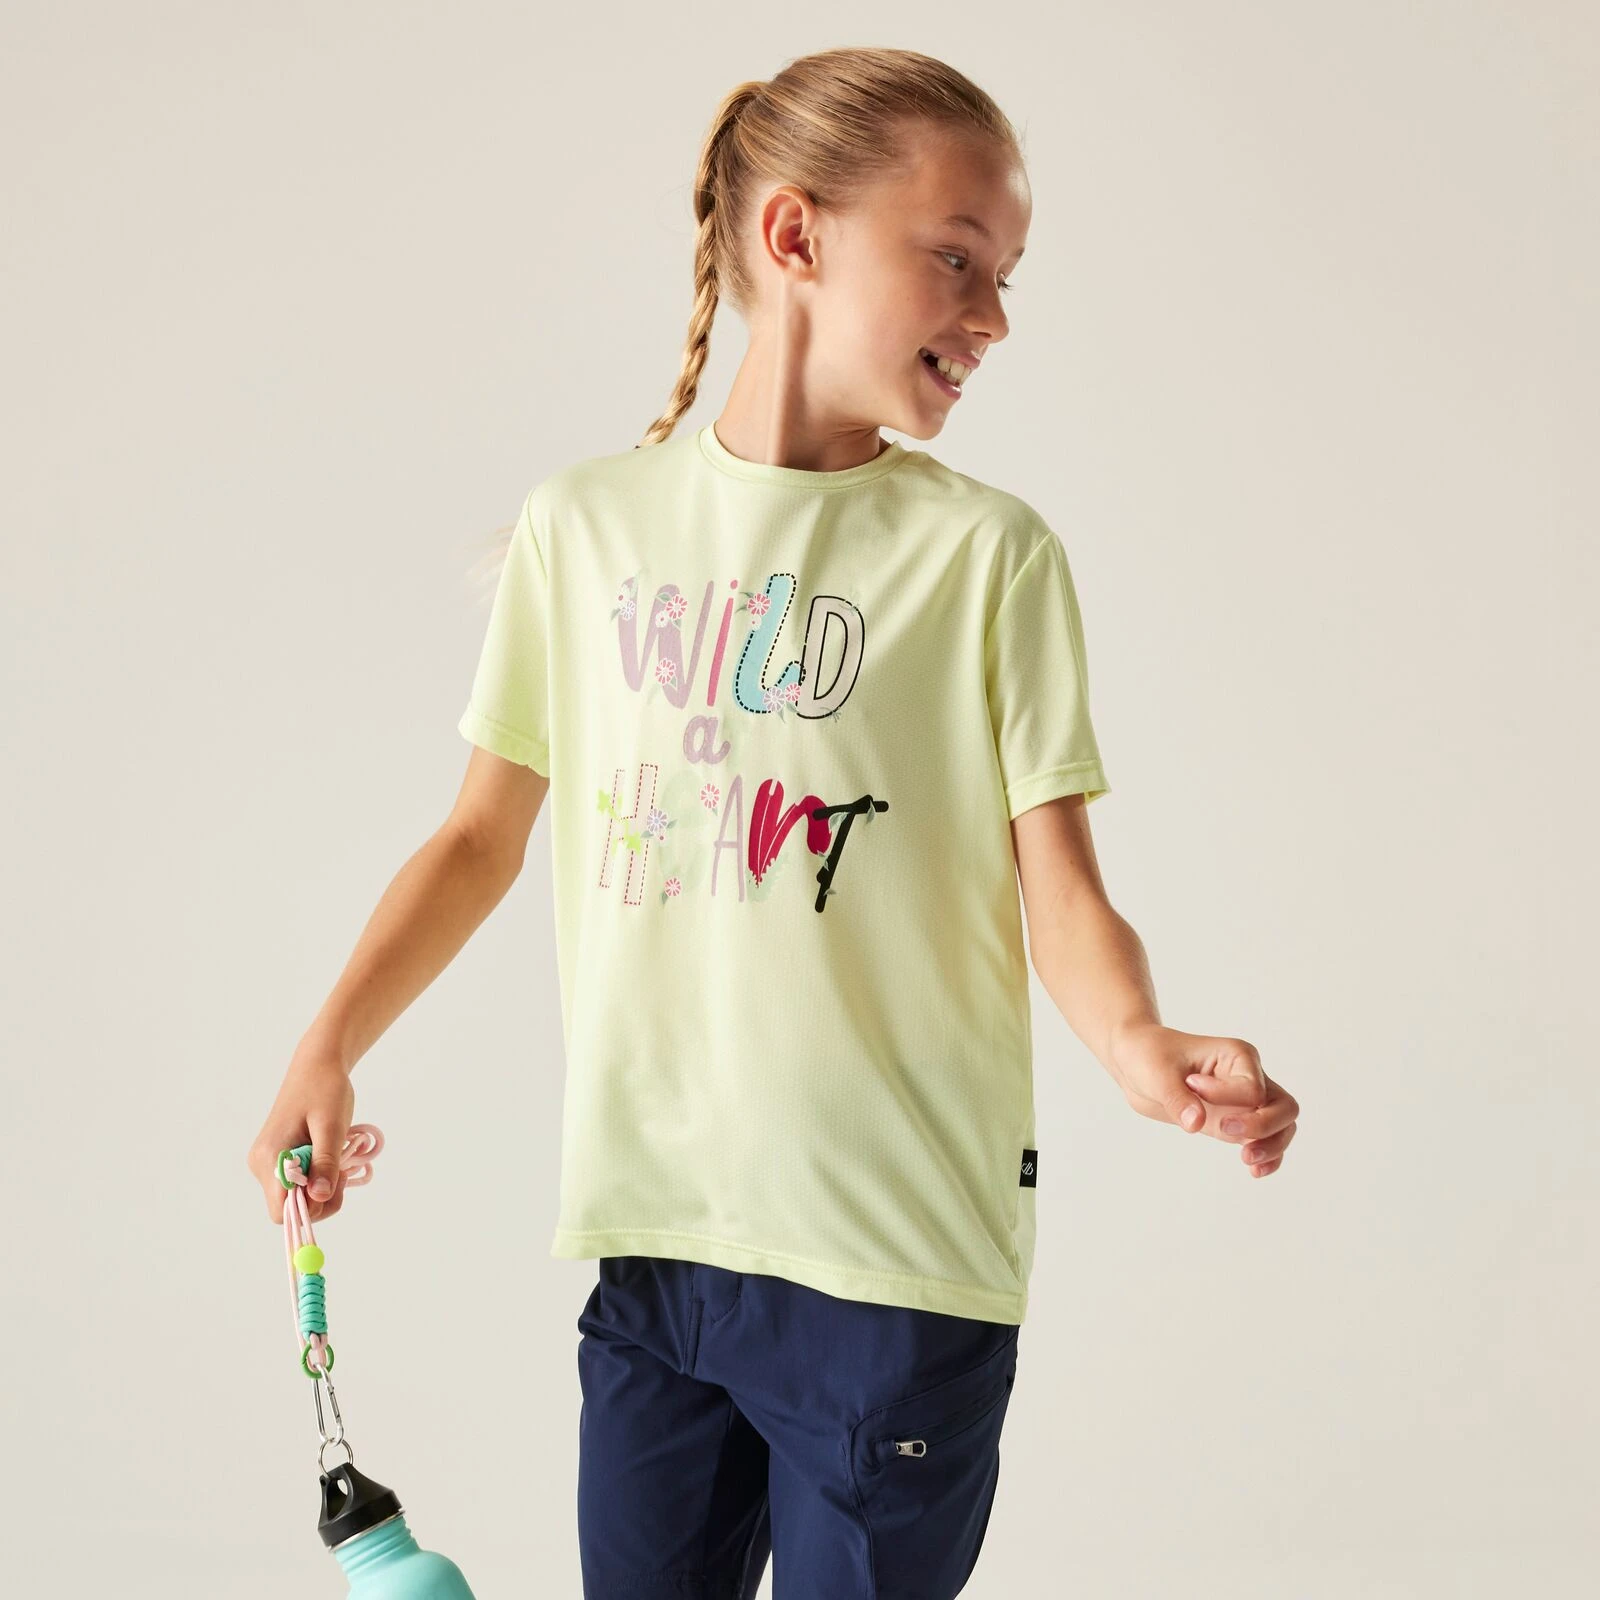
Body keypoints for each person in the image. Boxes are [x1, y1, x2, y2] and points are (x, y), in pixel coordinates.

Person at [247, 44, 1300, 1598]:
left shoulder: (988, 559)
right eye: (958, 259)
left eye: (1007, 276)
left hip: (894, 1274)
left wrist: (1138, 1042)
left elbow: (1061, 889)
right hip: (657, 1252)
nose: (995, 316)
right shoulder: (584, 530)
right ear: (796, 236)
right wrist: (330, 1042)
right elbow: (479, 838)